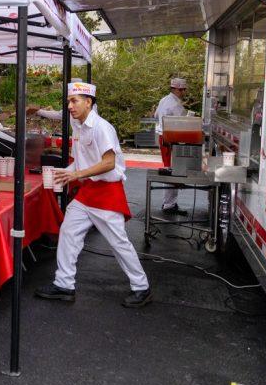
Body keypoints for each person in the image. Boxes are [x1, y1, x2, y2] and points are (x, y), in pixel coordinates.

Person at [35, 82, 151, 307]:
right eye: (69, 101)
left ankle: (142, 287)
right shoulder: (78, 125)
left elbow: (108, 163)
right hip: (89, 192)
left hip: (106, 192)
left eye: (74, 101)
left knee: (119, 243)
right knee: (69, 232)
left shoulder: (101, 127)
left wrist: (76, 174)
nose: (69, 106)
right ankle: (64, 284)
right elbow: (83, 161)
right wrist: (66, 173)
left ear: (89, 102)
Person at [155, 77, 188, 214]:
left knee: (170, 168)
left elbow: (156, 115)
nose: (183, 92)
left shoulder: (164, 100)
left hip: (163, 137)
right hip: (170, 139)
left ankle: (169, 203)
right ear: (174, 89)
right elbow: (183, 122)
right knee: (172, 170)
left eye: (184, 90)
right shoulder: (175, 105)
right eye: (181, 90)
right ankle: (169, 204)